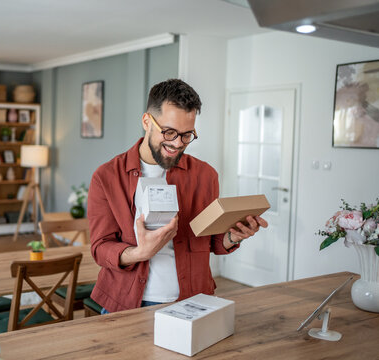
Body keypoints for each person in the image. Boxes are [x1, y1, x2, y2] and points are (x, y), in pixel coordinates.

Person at [87, 79, 268, 313]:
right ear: (146, 121)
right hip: (127, 302)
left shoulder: (205, 175)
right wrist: (141, 253)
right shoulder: (107, 177)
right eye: (169, 132)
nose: (177, 144)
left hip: (193, 300)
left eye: (186, 135)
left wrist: (233, 237)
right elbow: (101, 248)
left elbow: (209, 240)